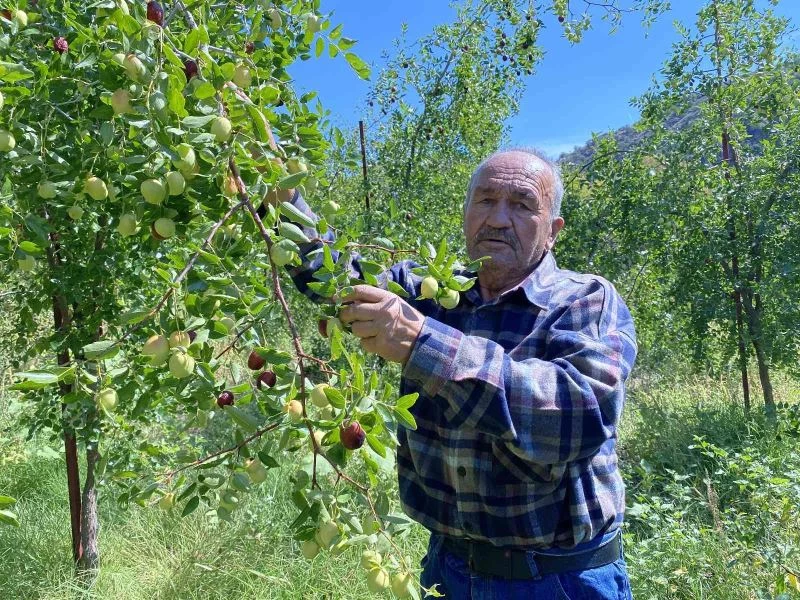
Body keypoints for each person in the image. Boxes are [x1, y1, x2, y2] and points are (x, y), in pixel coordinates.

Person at [286, 148, 637, 598]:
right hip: (447, 571)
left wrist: (422, 344)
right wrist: (282, 195)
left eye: (522, 204)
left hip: (558, 579)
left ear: (553, 232)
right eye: (485, 201)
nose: (497, 218)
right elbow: (339, 278)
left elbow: (576, 417)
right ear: (466, 214)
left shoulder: (584, 300)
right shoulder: (431, 288)